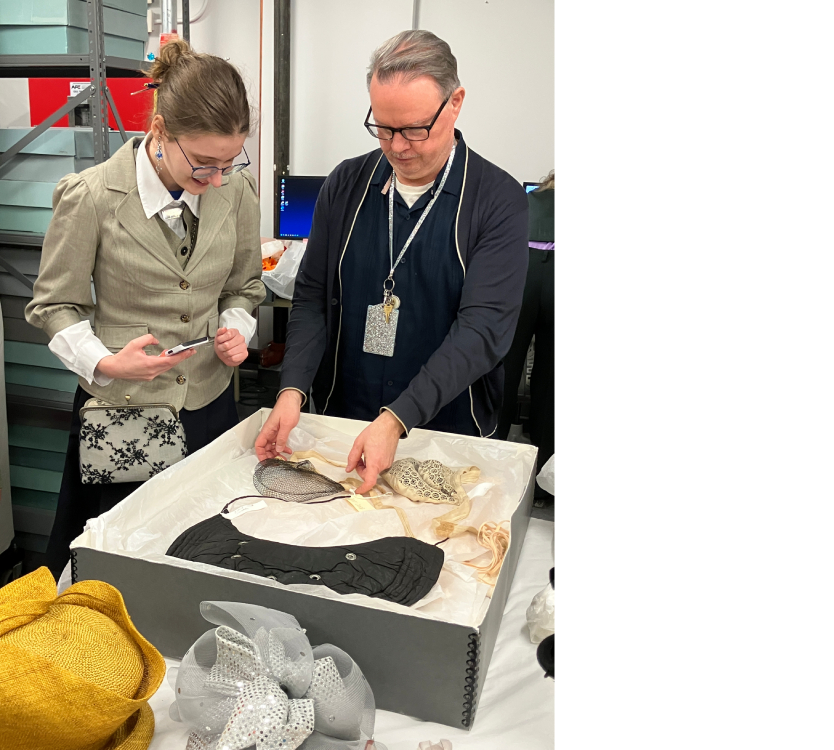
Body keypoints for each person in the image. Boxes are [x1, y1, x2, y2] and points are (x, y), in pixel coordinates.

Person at [26, 39, 265, 577]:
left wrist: (234, 328)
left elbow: (245, 285)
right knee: (117, 563)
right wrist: (105, 362)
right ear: (160, 132)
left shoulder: (236, 193)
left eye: (231, 162)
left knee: (203, 551)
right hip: (122, 415)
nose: (218, 180)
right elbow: (53, 304)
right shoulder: (91, 197)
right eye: (204, 165)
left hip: (209, 408)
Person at [255, 30, 529, 492]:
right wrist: (292, 388)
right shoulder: (346, 185)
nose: (398, 146)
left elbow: (483, 330)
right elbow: (314, 297)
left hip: (443, 428)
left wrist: (397, 419)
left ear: (455, 102)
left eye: (416, 129)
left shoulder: (496, 200)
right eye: (384, 127)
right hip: (346, 419)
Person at [497, 171, 554, 505]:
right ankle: (546, 484)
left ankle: (489, 453)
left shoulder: (525, 201)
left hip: (522, 271)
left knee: (504, 368)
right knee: (552, 379)